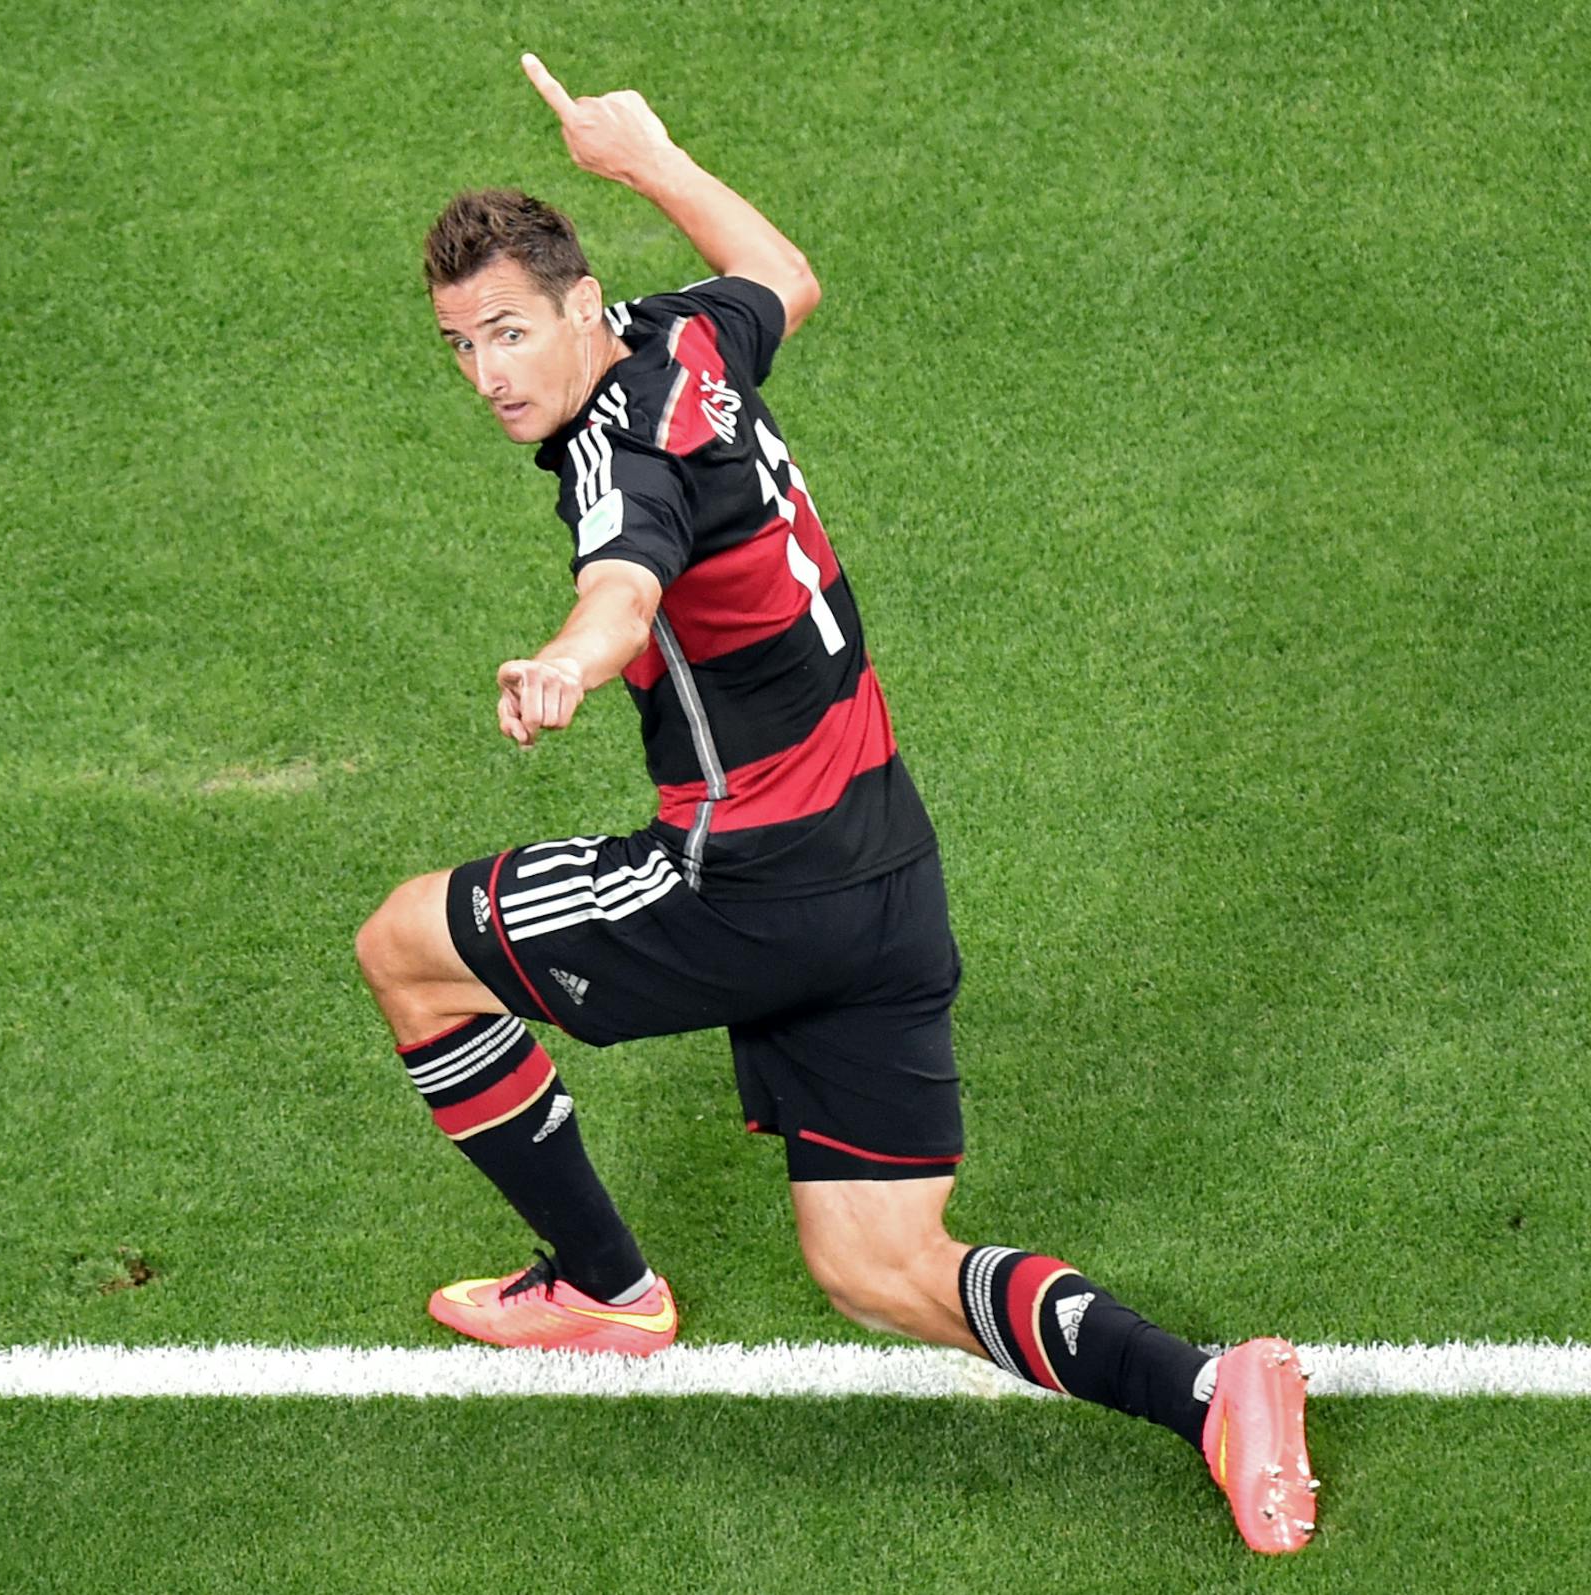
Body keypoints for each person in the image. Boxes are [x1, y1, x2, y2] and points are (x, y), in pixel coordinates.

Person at [353, 53, 1317, 1555]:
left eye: (507, 332)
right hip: (886, 869)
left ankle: (603, 1288)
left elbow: (623, 581)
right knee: (877, 1262)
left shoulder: (618, 459)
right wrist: (649, 155)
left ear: (579, 307)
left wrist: (564, 662)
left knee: (406, 946)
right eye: (459, 346)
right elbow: (782, 276)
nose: (486, 373)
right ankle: (1210, 1389)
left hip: (751, 885)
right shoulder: (686, 341)